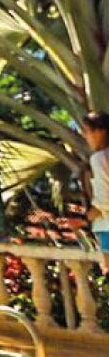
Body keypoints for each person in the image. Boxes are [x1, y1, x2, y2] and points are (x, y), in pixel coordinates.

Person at [84, 111, 109, 271]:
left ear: (100, 132)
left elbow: (104, 201)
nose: (86, 137)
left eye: (87, 132)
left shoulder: (100, 159)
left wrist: (85, 218)